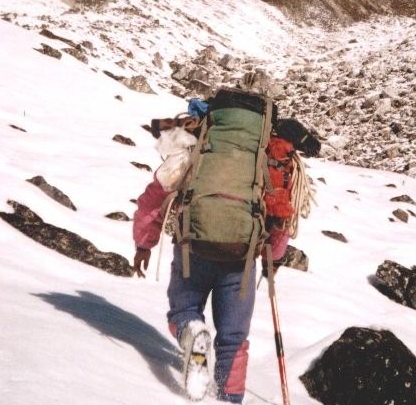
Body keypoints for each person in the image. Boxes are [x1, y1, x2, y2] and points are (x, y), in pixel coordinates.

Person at [132, 90, 319, 403]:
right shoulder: (269, 151)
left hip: (193, 244)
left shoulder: (201, 136)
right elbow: (281, 213)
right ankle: (229, 399)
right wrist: (272, 256)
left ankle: (193, 333)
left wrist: (144, 242)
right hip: (241, 255)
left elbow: (156, 193)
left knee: (183, 311)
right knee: (233, 338)